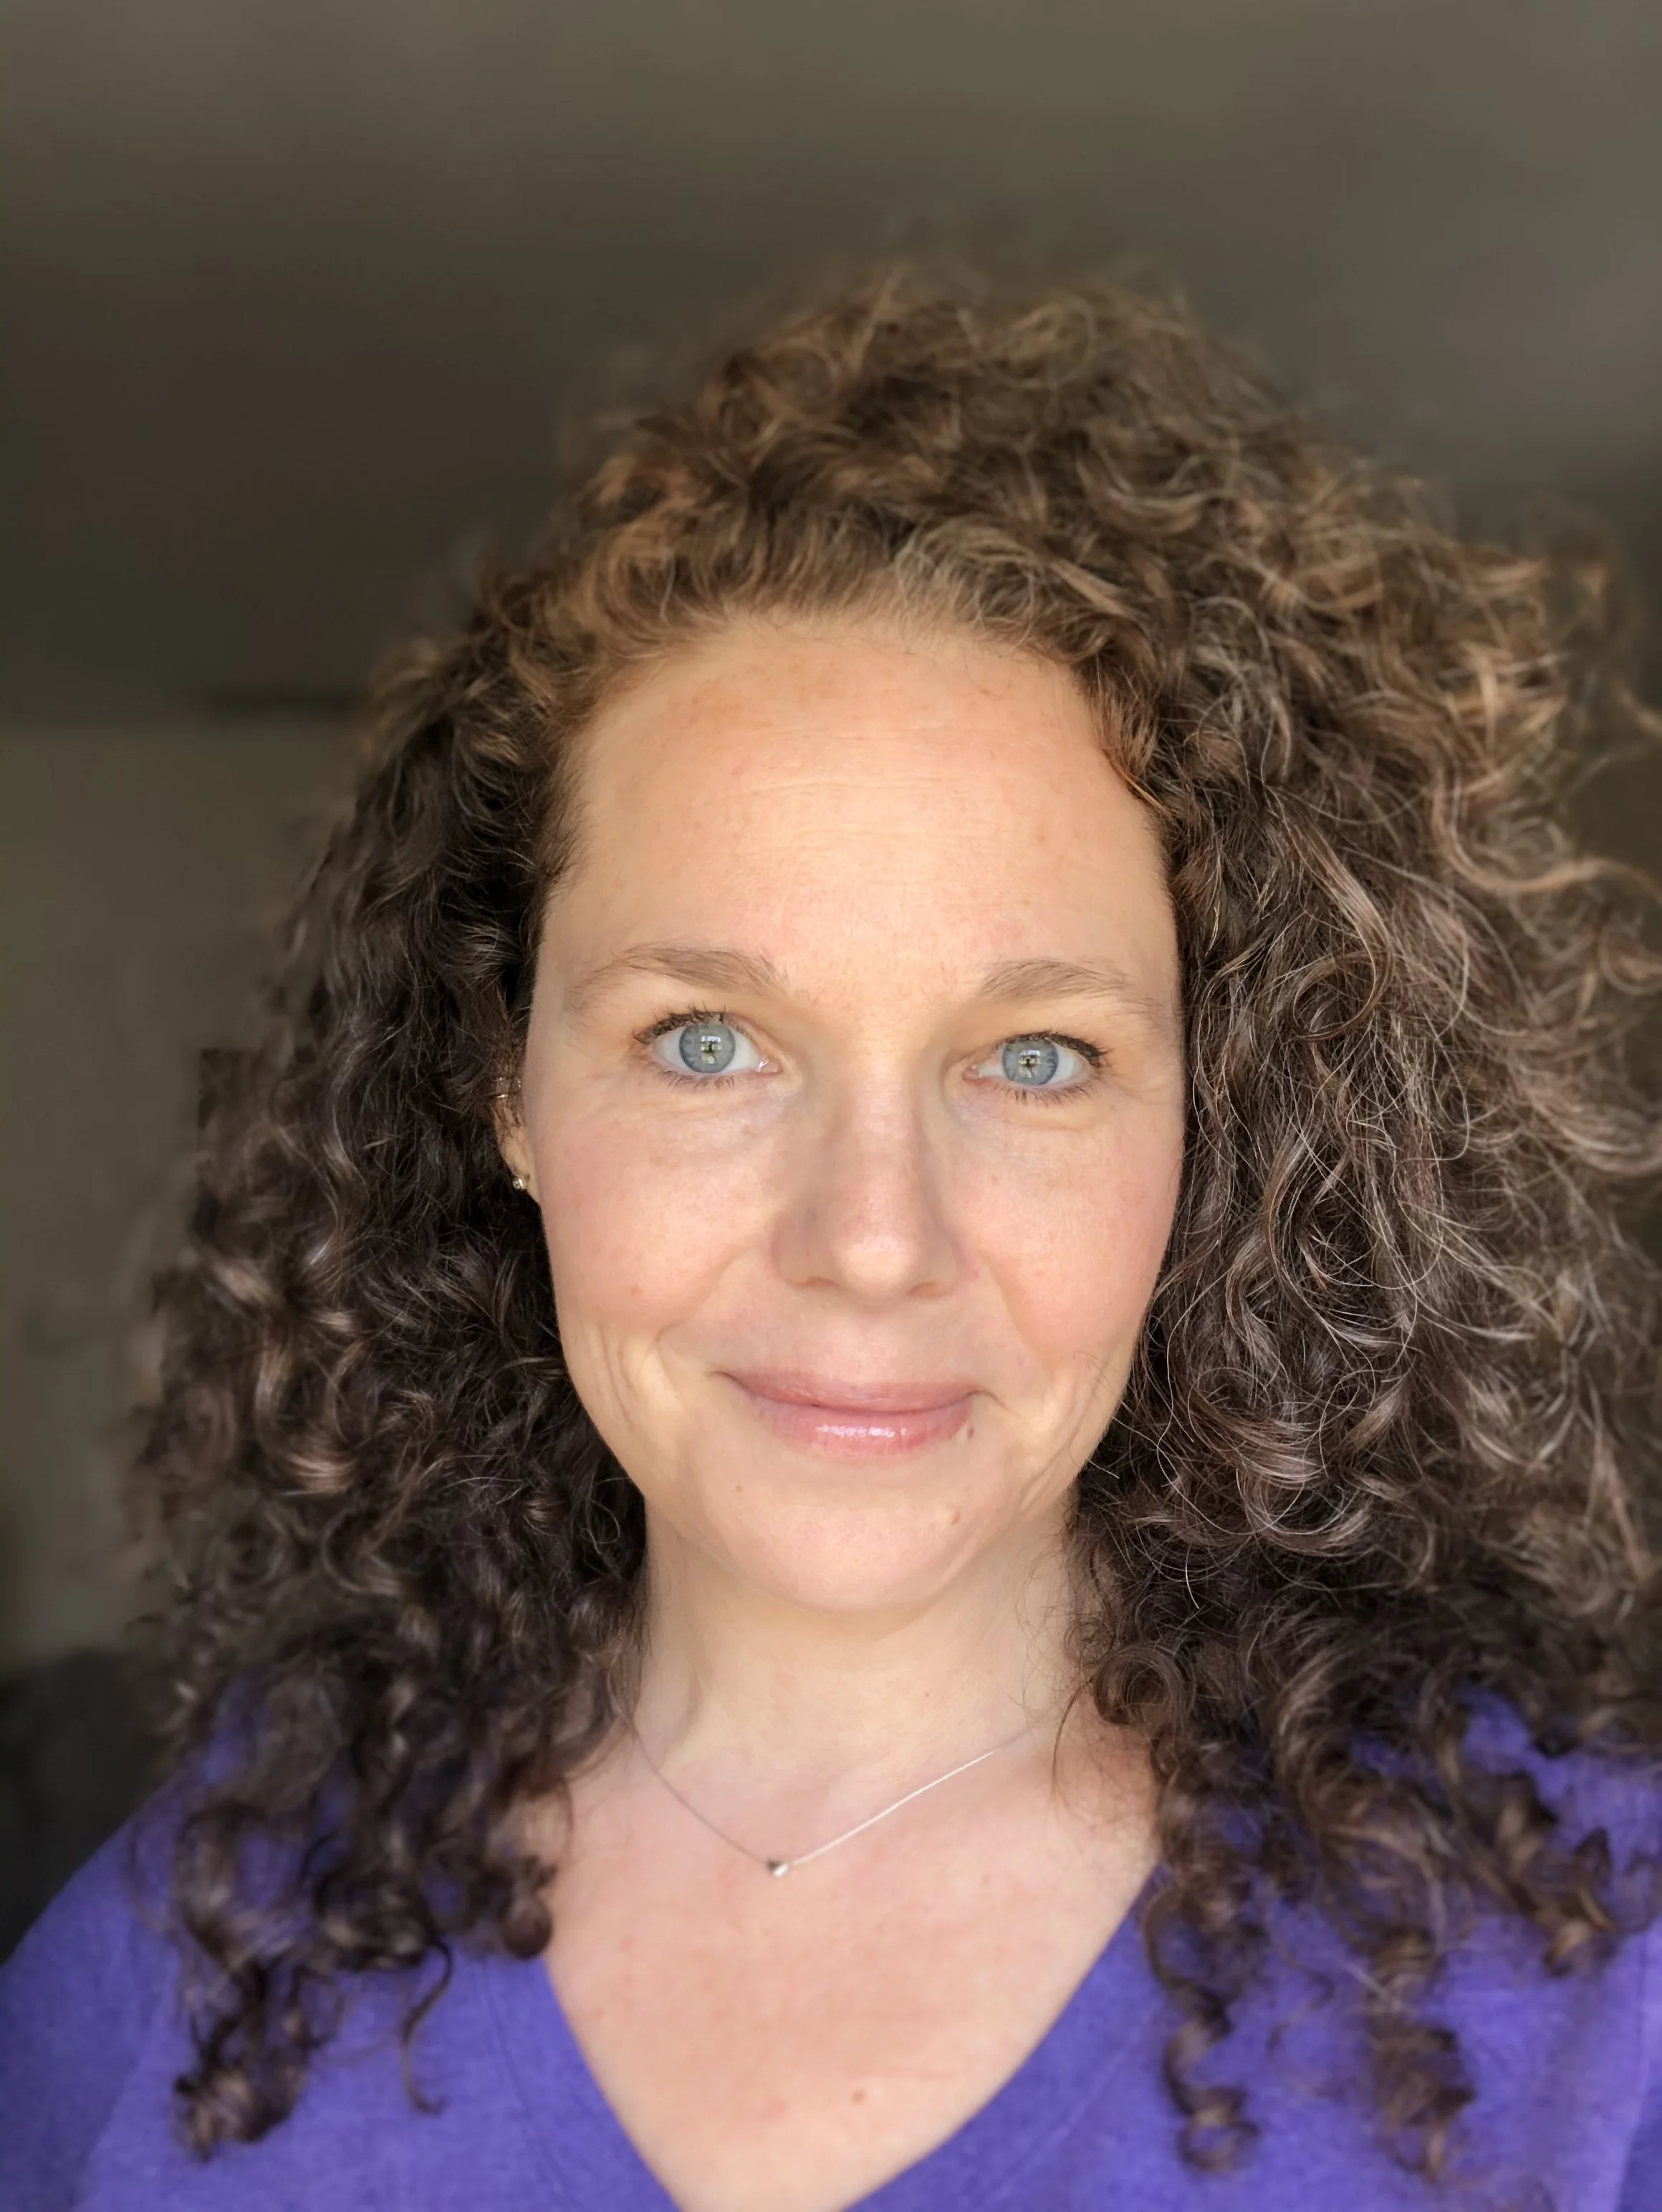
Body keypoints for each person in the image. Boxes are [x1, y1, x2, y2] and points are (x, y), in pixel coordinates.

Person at [1, 271, 1659, 2212]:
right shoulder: (185, 1972)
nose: (873, 1241)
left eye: (1036, 1058)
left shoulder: (1595, 2008)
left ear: (1218, 1125)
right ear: (503, 1088)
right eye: (707, 1041)